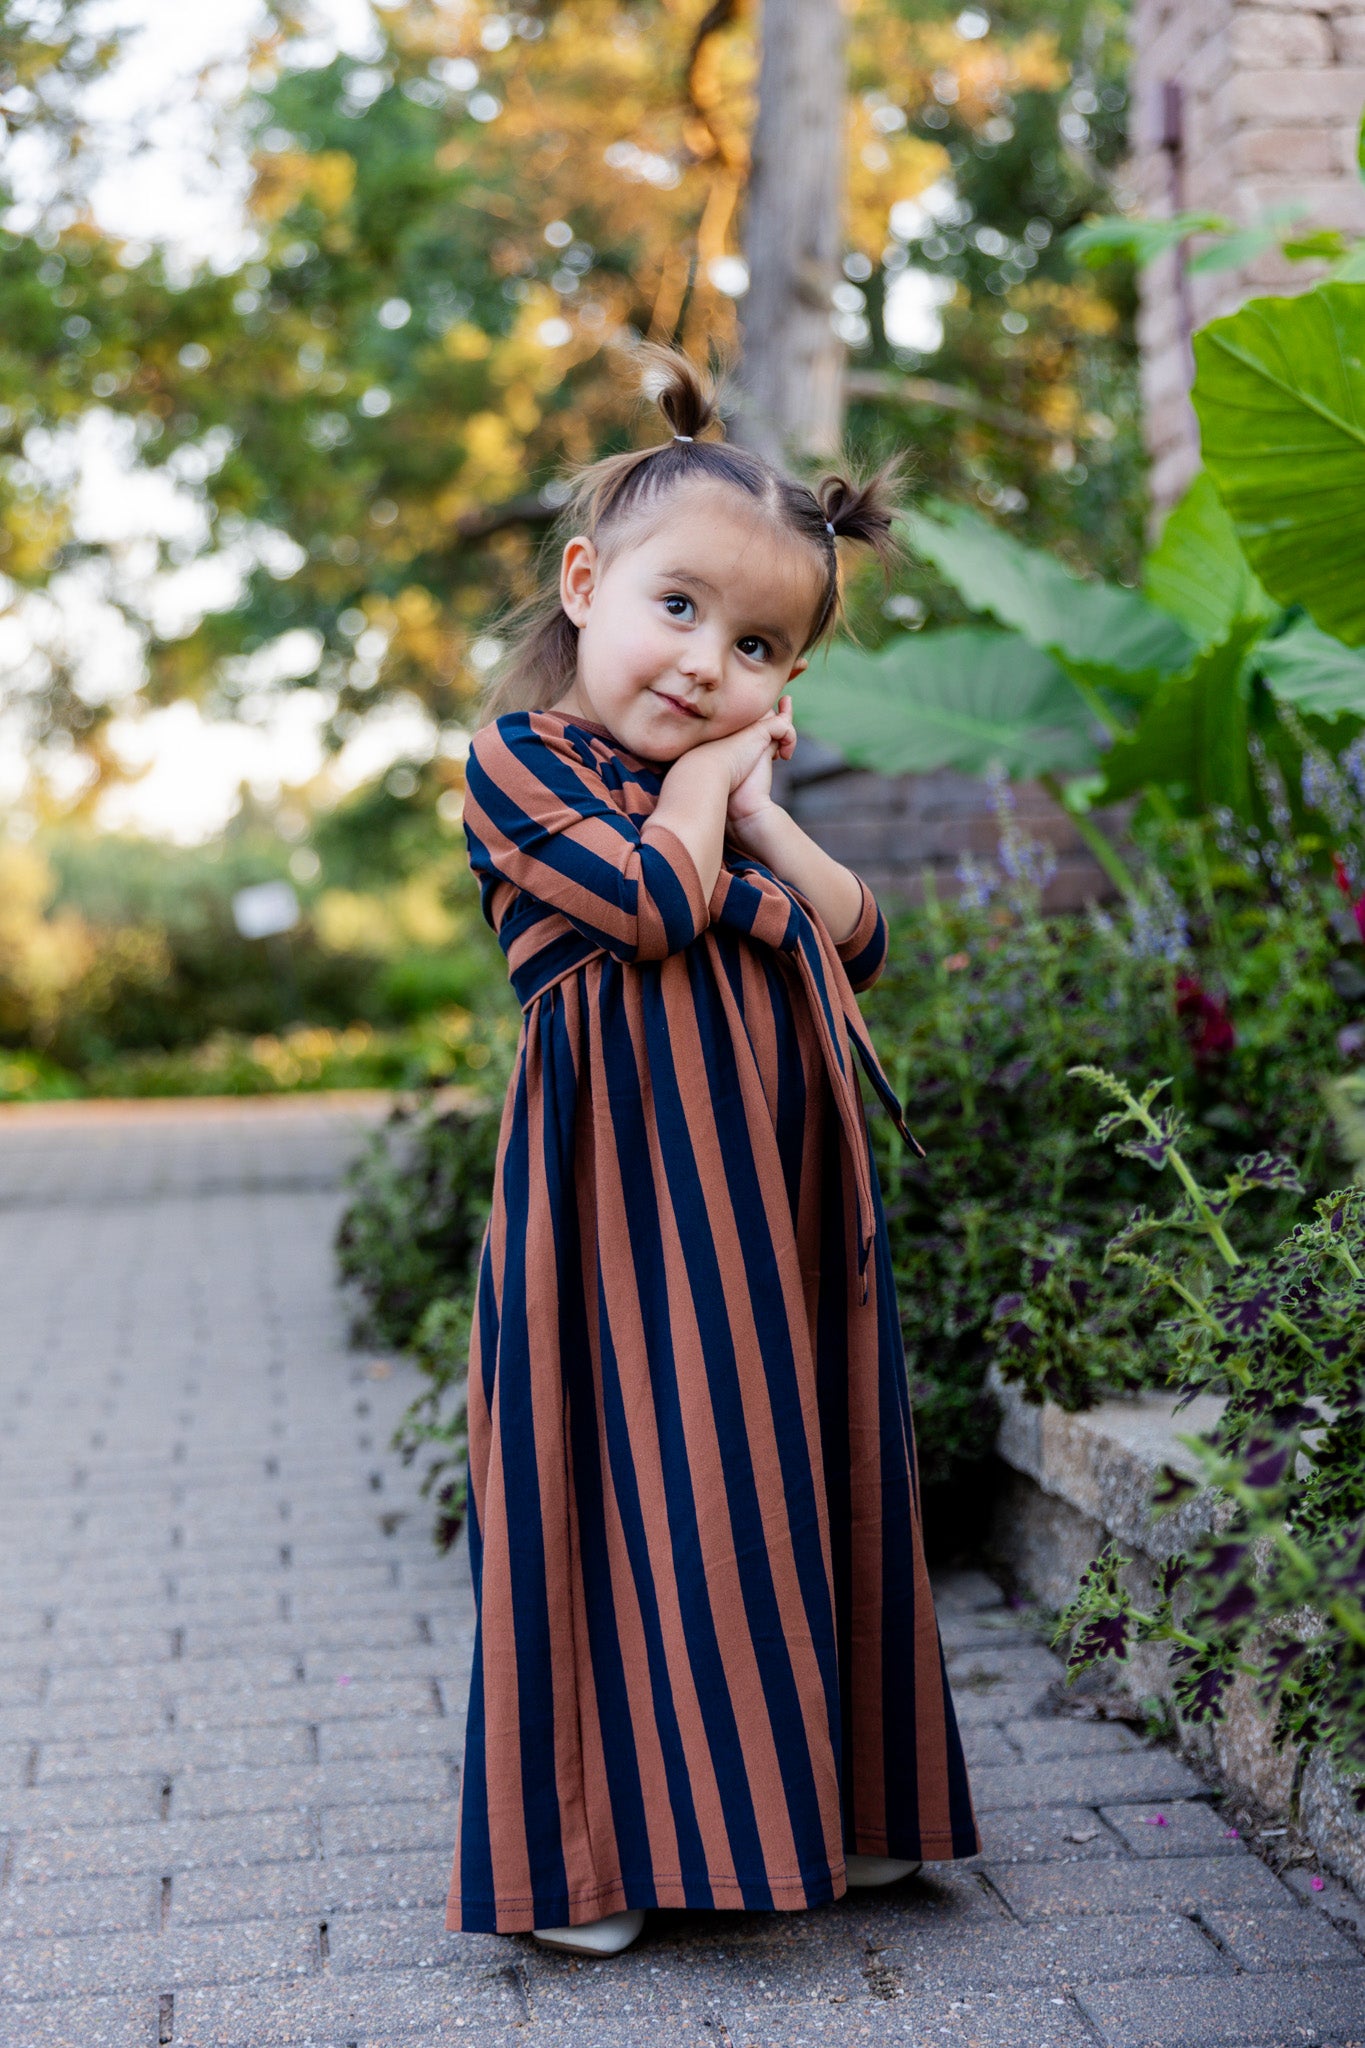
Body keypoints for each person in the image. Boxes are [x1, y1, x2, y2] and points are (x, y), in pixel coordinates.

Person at [445, 347, 981, 1957]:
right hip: (617, 1221)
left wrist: (760, 814)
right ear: (586, 581)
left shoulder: (722, 790)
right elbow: (652, 909)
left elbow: (862, 932)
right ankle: (591, 1864)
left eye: (755, 648)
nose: (704, 665)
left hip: (773, 1199)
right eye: (678, 611)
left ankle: (852, 1816)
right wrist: (707, 790)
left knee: (798, 1483)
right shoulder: (520, 768)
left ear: (789, 682)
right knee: (629, 1496)